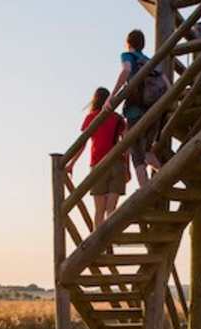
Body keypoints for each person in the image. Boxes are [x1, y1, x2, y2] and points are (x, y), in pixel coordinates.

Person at [104, 29, 163, 186]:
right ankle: (165, 176)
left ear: (128, 43)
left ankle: (144, 191)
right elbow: (167, 84)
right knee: (148, 150)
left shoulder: (128, 56)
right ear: (143, 44)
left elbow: (127, 70)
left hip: (135, 109)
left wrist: (112, 96)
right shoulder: (151, 61)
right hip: (154, 110)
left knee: (137, 153)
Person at [66, 87, 129, 226]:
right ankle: (108, 244)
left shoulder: (91, 117)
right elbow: (126, 143)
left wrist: (71, 163)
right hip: (117, 163)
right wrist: (127, 168)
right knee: (111, 210)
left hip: (98, 164)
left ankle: (99, 246)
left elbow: (81, 145)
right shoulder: (118, 119)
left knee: (99, 210)